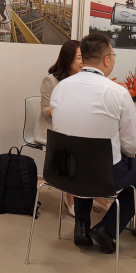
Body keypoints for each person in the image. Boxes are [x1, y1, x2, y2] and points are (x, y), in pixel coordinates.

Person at [50, 33, 136, 254]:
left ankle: (81, 226)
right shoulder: (117, 93)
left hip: (63, 172)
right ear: (107, 59)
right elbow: (133, 144)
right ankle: (107, 230)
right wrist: (119, 151)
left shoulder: (60, 88)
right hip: (102, 175)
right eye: (113, 55)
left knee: (83, 160)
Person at [37, 40, 84, 216]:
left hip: (77, 128)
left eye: (85, 57)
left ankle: (89, 195)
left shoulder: (84, 80)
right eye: (79, 57)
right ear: (68, 58)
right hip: (53, 129)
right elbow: (45, 111)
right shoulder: (51, 80)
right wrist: (68, 106)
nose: (83, 62)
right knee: (75, 147)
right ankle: (72, 197)